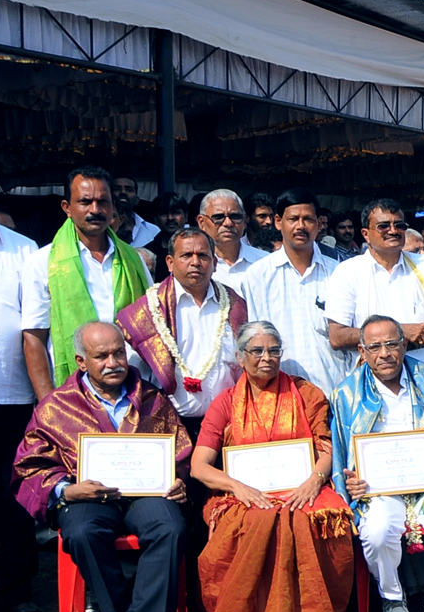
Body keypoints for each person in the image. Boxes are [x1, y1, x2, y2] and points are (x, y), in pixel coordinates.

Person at [14, 322, 188, 612]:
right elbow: (27, 466)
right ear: (81, 361)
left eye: (119, 353)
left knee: (170, 526)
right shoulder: (55, 407)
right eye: (102, 356)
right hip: (88, 495)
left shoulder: (152, 399)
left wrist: (179, 481)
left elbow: (182, 452)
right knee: (80, 531)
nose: (113, 362)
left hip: (145, 495)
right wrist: (65, 489)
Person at [188, 320, 355, 612]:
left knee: (300, 516)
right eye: (257, 351)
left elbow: (326, 449)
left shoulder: (306, 393)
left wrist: (314, 479)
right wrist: (237, 486)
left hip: (302, 486)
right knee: (262, 519)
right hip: (244, 494)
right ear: (240, 356)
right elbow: (199, 467)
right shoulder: (225, 403)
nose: (267, 358)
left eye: (274, 350)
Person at [331, 316, 424, 612]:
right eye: (374, 347)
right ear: (362, 352)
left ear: (404, 345)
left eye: (392, 344)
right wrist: (351, 482)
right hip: (378, 488)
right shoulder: (346, 394)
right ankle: (392, 598)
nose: (385, 353)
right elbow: (339, 453)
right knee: (376, 531)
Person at [22, 167, 151, 398]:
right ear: (67, 208)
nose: (95, 210)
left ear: (113, 207)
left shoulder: (134, 261)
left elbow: (152, 325)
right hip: (70, 393)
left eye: (103, 202)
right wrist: (48, 404)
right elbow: (33, 339)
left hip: (132, 390)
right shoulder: (43, 262)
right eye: (85, 202)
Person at [115, 226, 246, 438]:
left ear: (214, 263)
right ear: (170, 262)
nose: (195, 262)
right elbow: (132, 375)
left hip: (229, 426)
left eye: (203, 256)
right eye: (186, 255)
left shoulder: (235, 305)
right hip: (167, 426)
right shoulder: (147, 311)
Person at [325, 198, 424, 368]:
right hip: (372, 380)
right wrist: (400, 334)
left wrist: (412, 340)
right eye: (383, 226)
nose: (393, 231)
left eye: (399, 225)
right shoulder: (348, 272)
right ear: (366, 234)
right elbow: (337, 336)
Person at [238, 190, 348, 396]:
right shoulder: (257, 276)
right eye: (293, 219)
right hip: (281, 395)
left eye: (308, 219)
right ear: (278, 222)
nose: (300, 226)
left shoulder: (339, 273)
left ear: (318, 223)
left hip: (335, 390)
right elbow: (256, 340)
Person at [0, 209, 41, 612]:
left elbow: (34, 327)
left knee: (11, 497)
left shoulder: (23, 250)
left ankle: (15, 591)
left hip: (9, 393)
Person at [196, 190, 266, 291]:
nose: (228, 223)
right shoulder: (194, 266)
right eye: (219, 217)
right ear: (201, 222)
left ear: (245, 220)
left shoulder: (265, 262)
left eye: (235, 216)